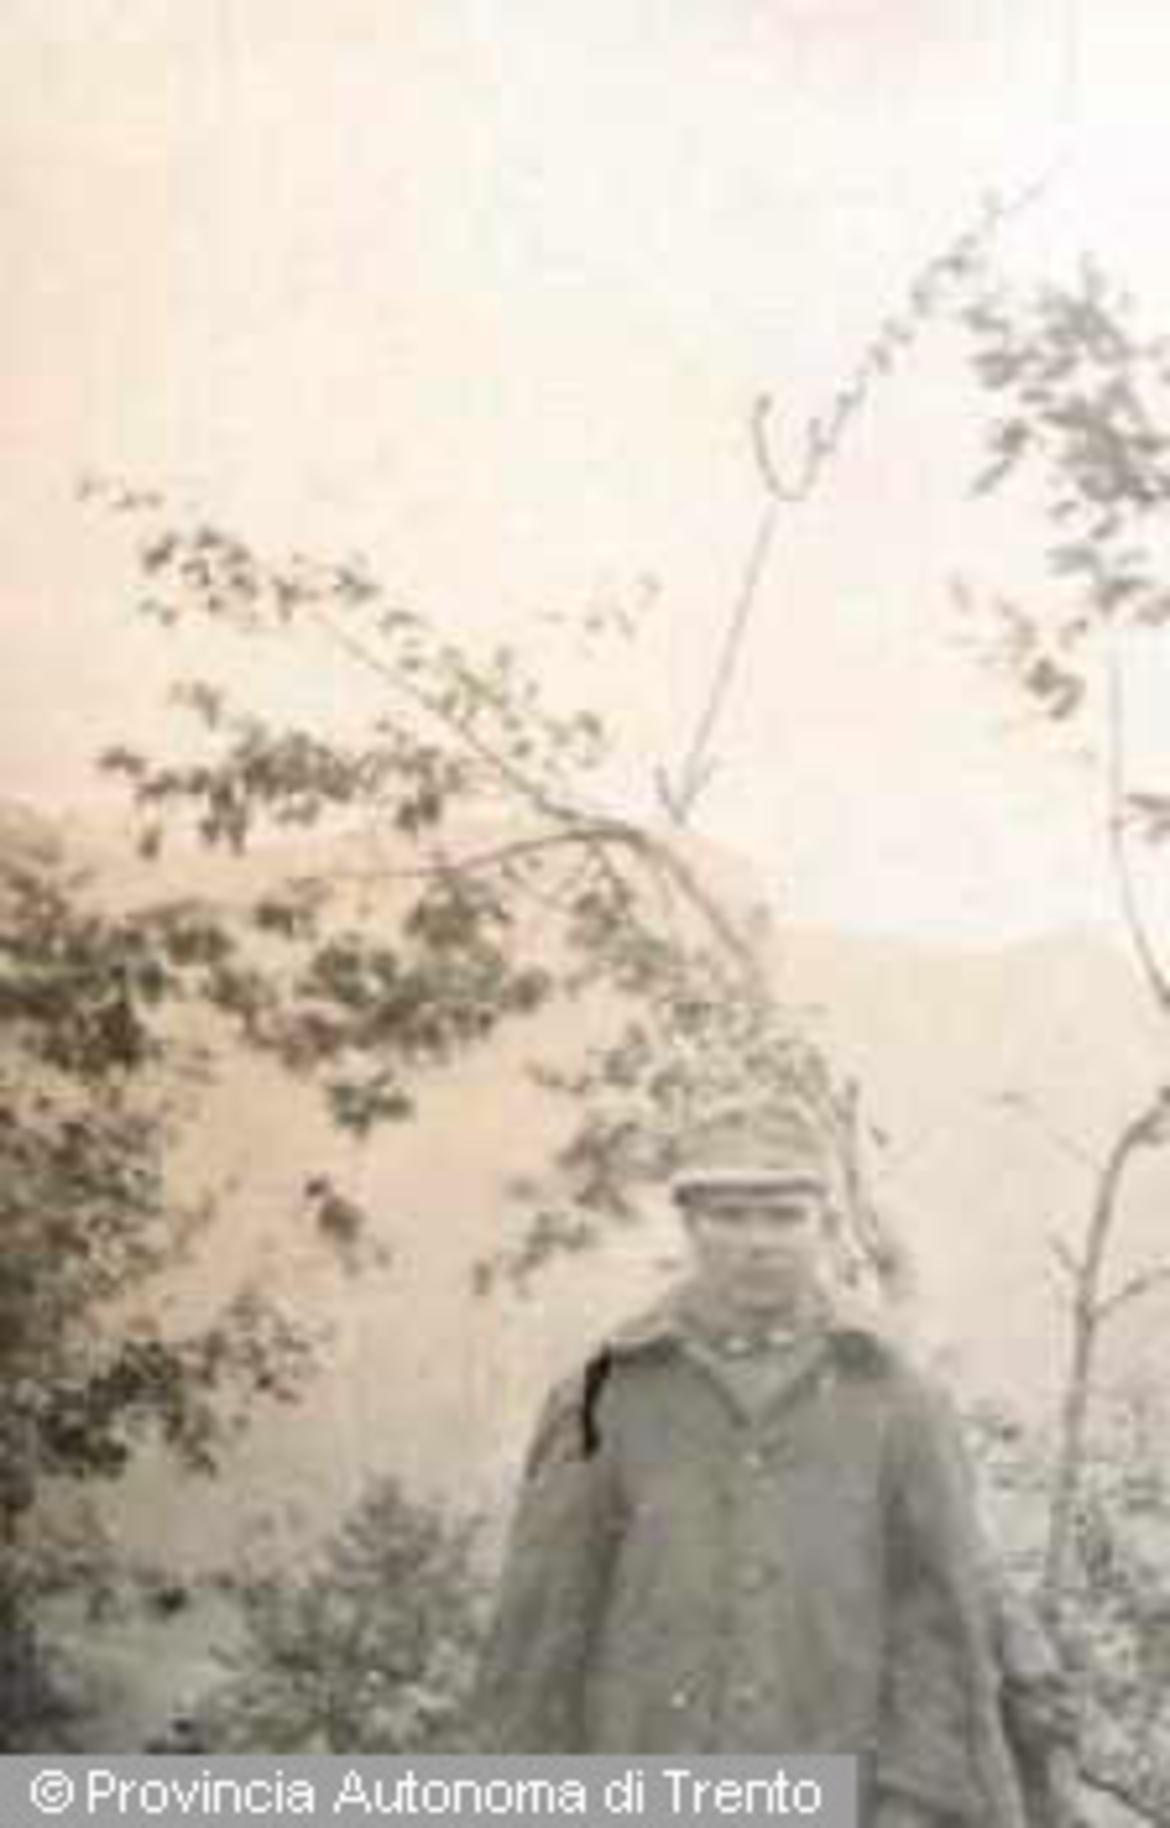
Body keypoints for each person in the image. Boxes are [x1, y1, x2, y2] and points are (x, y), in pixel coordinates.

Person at [475, 1109, 1042, 1828]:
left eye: (783, 1216)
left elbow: (940, 1629)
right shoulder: (607, 1393)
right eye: (730, 1216)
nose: (758, 1242)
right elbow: (541, 1636)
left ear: (823, 1224)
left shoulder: (895, 1395)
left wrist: (914, 1804)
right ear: (689, 1223)